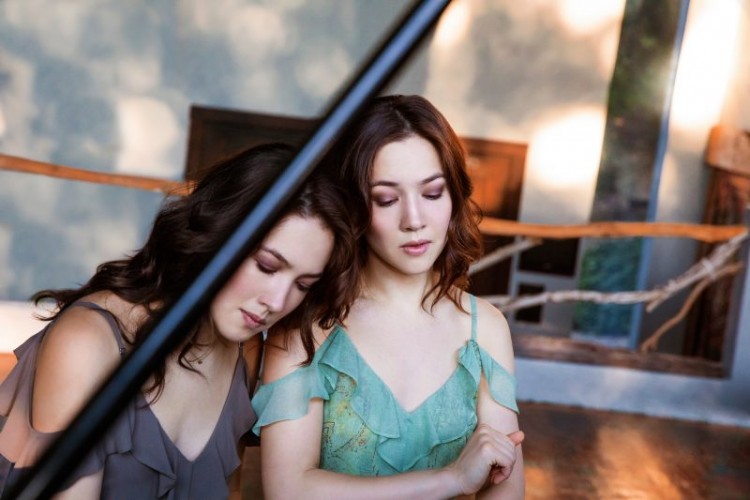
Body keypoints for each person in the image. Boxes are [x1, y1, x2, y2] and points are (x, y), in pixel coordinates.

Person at [0, 142, 356, 499]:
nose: (277, 302)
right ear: (218, 234)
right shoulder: (89, 340)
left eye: (302, 285)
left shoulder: (242, 353)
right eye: (266, 266)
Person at [253, 95, 525, 499]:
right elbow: (287, 490)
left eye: (432, 193)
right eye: (386, 199)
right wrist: (452, 479)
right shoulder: (306, 329)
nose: (414, 220)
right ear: (352, 205)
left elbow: (505, 487)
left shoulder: (484, 327)